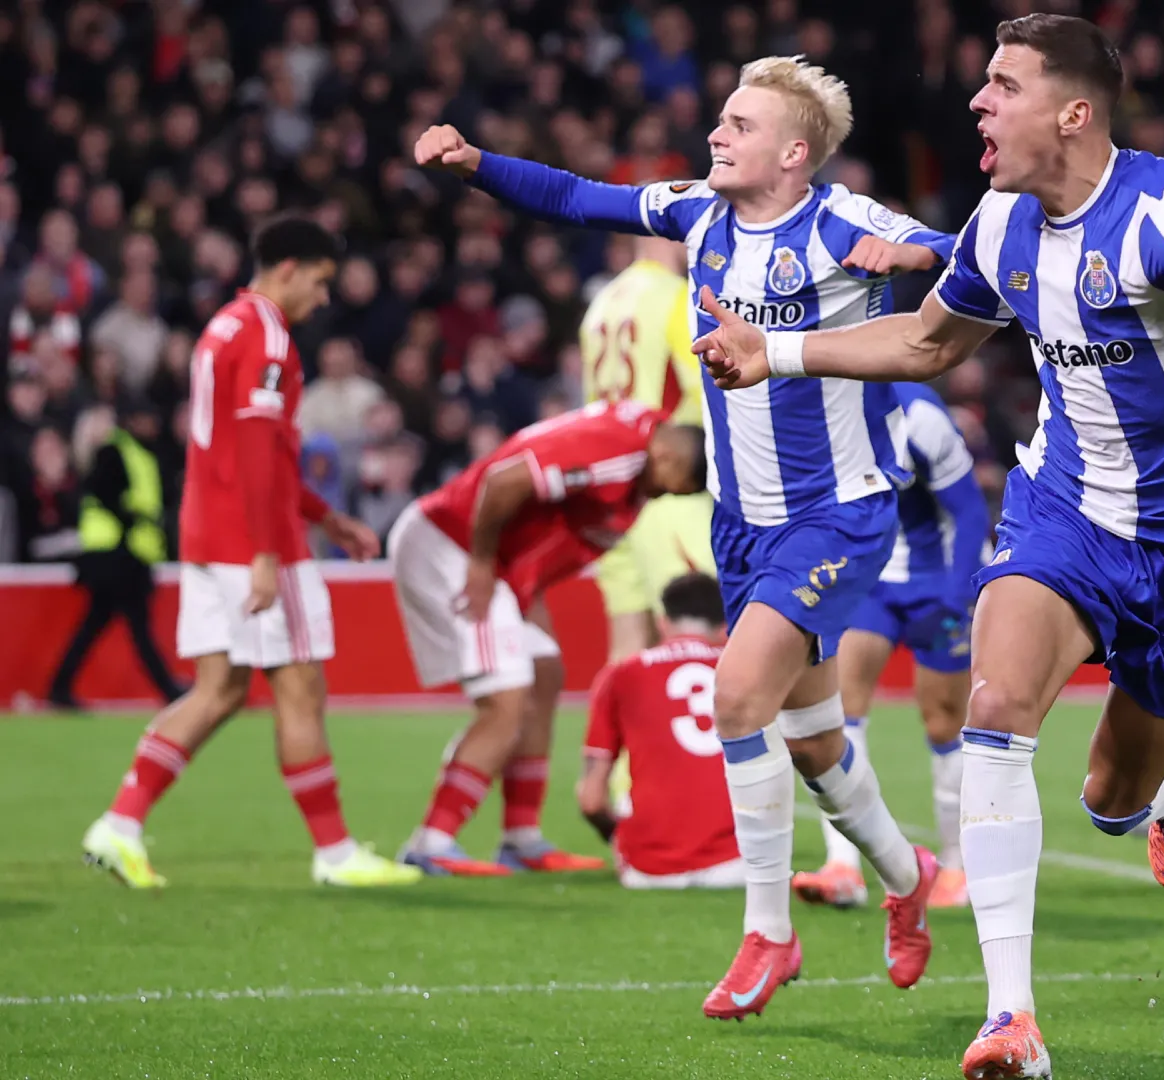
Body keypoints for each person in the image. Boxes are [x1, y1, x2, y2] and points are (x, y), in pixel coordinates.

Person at [691, 17, 1164, 1074]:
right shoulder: (1000, 223)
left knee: (1108, 803)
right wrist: (772, 351)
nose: (978, 104)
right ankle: (1011, 1018)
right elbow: (923, 342)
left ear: (1073, 113)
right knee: (997, 709)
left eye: (1003, 86)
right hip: (1066, 508)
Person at [415, 54, 954, 1019]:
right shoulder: (697, 211)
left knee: (735, 693)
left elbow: (970, 258)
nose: (718, 134)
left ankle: (768, 938)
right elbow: (580, 197)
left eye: (740, 125)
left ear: (795, 152)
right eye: (722, 119)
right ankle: (907, 877)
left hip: (837, 513)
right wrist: (476, 164)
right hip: (739, 523)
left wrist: (922, 258)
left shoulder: (845, 222)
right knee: (813, 743)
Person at [79, 217, 418, 890]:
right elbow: (258, 452)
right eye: (320, 284)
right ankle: (335, 853)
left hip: (207, 534)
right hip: (253, 543)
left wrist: (329, 517)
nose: (323, 301)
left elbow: (246, 449)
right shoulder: (267, 336)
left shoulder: (223, 326)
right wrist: (269, 551)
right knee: (300, 691)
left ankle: (118, 825)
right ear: (288, 267)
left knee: (219, 690)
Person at [389, 400, 706, 876]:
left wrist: (521, 587)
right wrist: (479, 563)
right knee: (505, 700)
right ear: (665, 456)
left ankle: (521, 837)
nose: (661, 497)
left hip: (491, 560)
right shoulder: (619, 453)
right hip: (453, 544)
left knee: (544, 672)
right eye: (669, 486)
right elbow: (506, 480)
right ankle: (432, 840)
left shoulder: (634, 450)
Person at [793, 382, 988, 910]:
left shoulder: (921, 419)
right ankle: (842, 866)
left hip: (938, 583)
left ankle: (955, 866)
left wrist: (957, 596)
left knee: (945, 723)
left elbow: (968, 512)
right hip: (869, 582)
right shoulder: (818, 413)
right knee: (836, 714)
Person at [580, 234, 715, 664]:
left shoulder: (600, 303)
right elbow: (708, 388)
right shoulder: (677, 298)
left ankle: (604, 734)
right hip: (667, 488)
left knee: (627, 647)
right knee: (704, 632)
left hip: (607, 492)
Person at [576, 572, 743, 889]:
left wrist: (616, 836)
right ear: (725, 626)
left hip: (649, 870)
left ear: (662, 622)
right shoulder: (744, 673)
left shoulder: (622, 674)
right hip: (739, 865)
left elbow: (591, 800)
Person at [47, 402, 184, 709]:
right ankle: (168, 688)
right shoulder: (116, 451)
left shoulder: (131, 452)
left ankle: (59, 686)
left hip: (118, 553)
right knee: (138, 626)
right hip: (119, 554)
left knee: (95, 624)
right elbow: (102, 491)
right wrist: (130, 520)